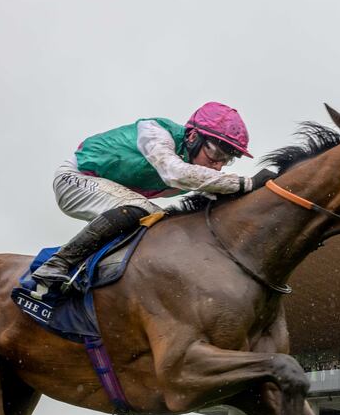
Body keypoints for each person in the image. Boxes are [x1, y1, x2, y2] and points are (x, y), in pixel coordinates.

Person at [30, 102, 270, 293]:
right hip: (74, 178)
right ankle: (57, 263)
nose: (217, 165)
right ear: (193, 137)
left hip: (109, 193)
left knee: (161, 222)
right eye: (216, 152)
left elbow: (222, 194)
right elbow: (175, 172)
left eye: (226, 159)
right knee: (144, 208)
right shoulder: (155, 132)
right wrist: (246, 182)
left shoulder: (194, 168)